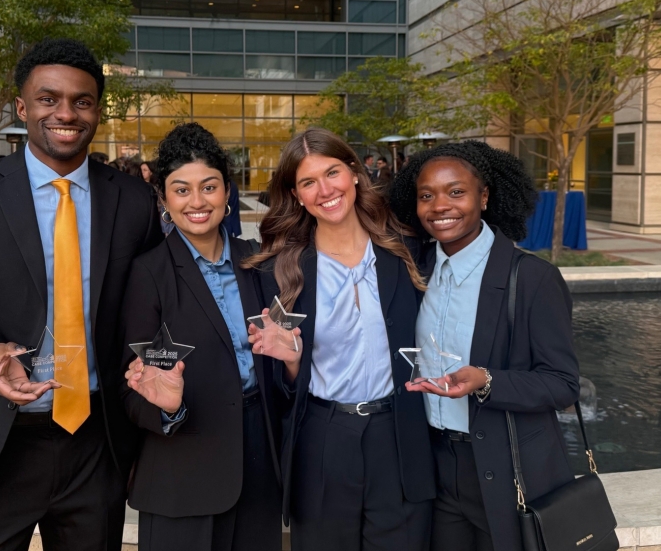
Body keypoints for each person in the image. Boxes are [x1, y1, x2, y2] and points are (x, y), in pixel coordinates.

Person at [0, 38, 163, 551]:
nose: (65, 112)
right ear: (23, 108)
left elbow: (151, 316)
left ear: (97, 112)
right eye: (48, 99)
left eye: (82, 101)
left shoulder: (133, 200)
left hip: (96, 445)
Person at [243, 127, 435, 551]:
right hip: (323, 439)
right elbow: (277, 388)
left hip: (398, 435)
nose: (324, 190)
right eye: (308, 182)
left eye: (332, 173)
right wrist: (293, 360)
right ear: (296, 195)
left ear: (354, 172)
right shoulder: (277, 271)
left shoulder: (405, 250)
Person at [389, 141, 580, 551]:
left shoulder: (532, 279)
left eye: (456, 191)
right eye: (427, 195)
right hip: (434, 465)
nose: (440, 206)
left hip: (506, 469)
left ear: (485, 196)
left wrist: (485, 380)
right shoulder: (414, 269)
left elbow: (563, 384)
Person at [120, 122, 289, 551]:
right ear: (163, 197)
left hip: (259, 469)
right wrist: (167, 409)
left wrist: (292, 363)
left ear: (227, 191)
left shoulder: (259, 264)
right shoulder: (148, 274)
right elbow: (131, 388)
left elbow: (281, 367)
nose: (197, 202)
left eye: (209, 187)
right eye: (181, 190)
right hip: (183, 475)